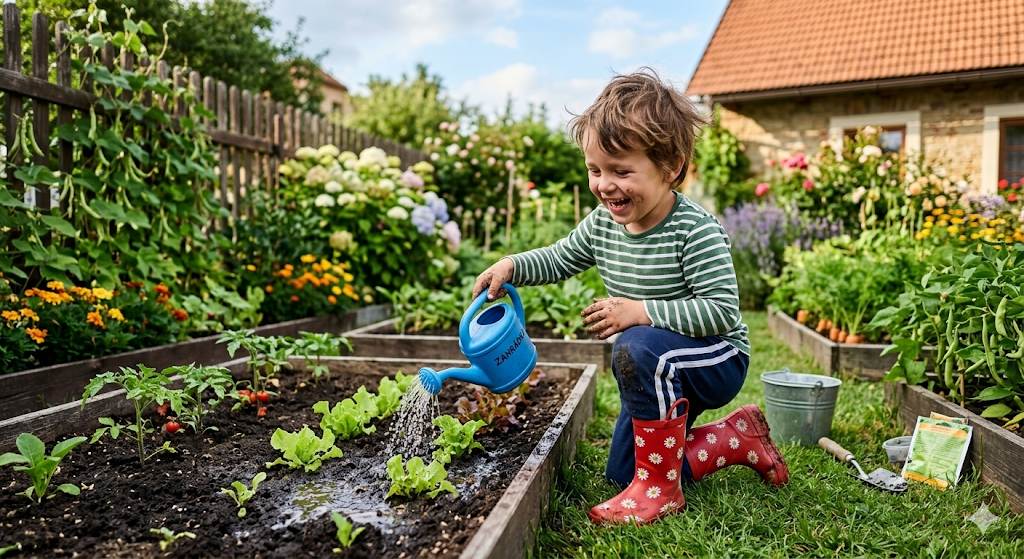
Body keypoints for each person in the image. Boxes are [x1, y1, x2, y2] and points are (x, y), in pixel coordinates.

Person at [472, 68, 789, 525]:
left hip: (715, 357)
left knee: (636, 345)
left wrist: (640, 311)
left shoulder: (694, 231)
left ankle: (661, 492)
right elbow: (560, 257)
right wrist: (512, 266)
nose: (604, 184)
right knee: (625, 472)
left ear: (670, 167)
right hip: (658, 364)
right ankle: (735, 438)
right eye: (595, 170)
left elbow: (721, 313)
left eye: (621, 171)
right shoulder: (603, 224)